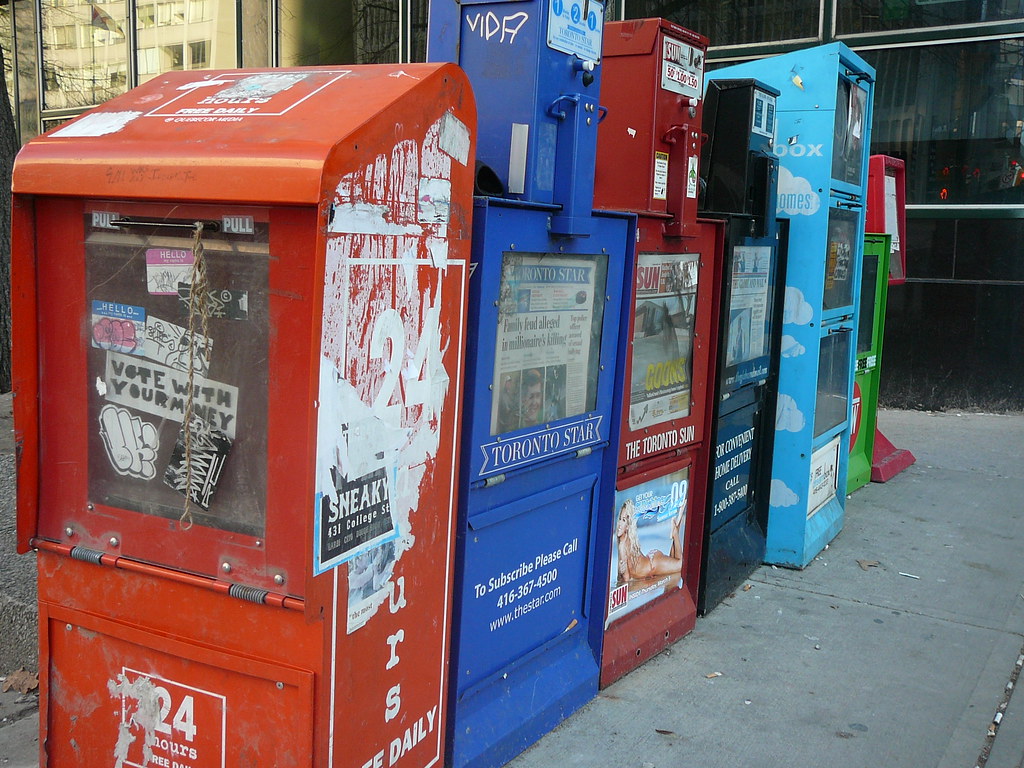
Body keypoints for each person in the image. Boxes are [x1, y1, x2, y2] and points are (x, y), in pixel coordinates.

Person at [615, 498, 684, 584]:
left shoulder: (622, 545)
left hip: (653, 565)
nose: (619, 524)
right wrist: (621, 571)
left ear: (628, 526)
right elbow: (624, 575)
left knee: (680, 565)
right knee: (674, 561)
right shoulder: (624, 541)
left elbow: (626, 579)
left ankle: (675, 533)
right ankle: (676, 527)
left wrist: (621, 574)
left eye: (624, 520)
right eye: (620, 519)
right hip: (652, 561)